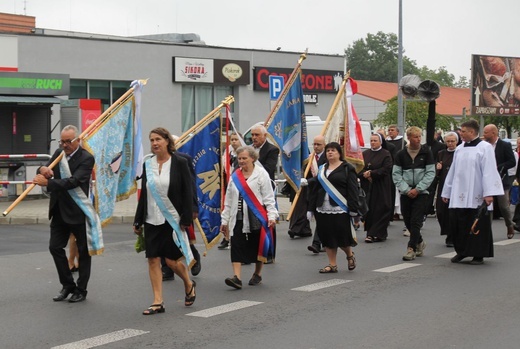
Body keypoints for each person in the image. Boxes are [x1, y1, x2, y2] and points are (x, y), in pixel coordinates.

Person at [133, 127, 196, 315]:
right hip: (151, 218)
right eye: (152, 140)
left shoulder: (180, 163)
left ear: (167, 141)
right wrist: (138, 219)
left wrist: (188, 216)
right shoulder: (148, 164)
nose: (154, 143)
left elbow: (188, 191)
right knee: (153, 259)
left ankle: (188, 283)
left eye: (158, 139)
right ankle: (157, 301)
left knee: (171, 261)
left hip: (172, 219)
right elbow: (144, 194)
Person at [33, 125, 95, 303]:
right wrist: (42, 170)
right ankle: (68, 284)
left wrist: (48, 183)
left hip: (78, 210)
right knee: (55, 247)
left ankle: (81, 290)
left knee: (83, 252)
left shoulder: (87, 158)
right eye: (63, 141)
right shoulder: (59, 153)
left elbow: (73, 181)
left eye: (69, 141)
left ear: (78, 140)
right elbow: (46, 169)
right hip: (59, 209)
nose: (65, 145)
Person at [441, 120, 504, 265]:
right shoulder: (460, 148)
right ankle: (462, 251)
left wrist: (489, 193)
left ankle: (478, 254)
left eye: (463, 131)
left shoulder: (485, 148)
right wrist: (447, 191)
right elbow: (453, 171)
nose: (461, 134)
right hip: (459, 194)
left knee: (477, 223)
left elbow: (489, 171)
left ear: (471, 132)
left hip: (477, 192)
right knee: (459, 223)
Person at [220, 146, 278, 289]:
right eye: (239, 158)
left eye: (244, 158)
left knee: (256, 244)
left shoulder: (261, 174)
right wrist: (224, 220)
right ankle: (237, 277)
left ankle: (257, 273)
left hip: (256, 216)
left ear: (253, 158)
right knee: (236, 244)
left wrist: (272, 215)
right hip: (237, 216)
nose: (241, 161)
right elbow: (228, 200)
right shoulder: (235, 176)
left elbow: (269, 197)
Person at [307, 142, 360, 273]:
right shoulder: (322, 168)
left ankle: (349, 255)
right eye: (328, 150)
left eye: (333, 150)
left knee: (342, 237)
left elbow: (353, 190)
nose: (330, 152)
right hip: (322, 208)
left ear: (339, 153)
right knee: (327, 236)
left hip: (340, 208)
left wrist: (354, 209)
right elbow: (316, 189)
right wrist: (310, 208)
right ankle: (332, 264)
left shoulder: (347, 168)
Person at [161, 134, 201, 280]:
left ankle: (194, 256)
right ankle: (167, 269)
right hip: (160, 206)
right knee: (163, 239)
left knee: (181, 236)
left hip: (178, 206)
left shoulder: (183, 159)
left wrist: (193, 208)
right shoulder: (153, 161)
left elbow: (190, 185)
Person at [392, 126, 435, 261]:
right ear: (409, 138)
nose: (418, 139)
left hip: (421, 192)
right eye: (415, 137)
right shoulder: (401, 154)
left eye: (419, 137)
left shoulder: (426, 152)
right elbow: (396, 174)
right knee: (408, 220)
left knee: (416, 221)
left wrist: (419, 189)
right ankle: (420, 241)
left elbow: (430, 173)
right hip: (406, 192)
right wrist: (406, 189)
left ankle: (411, 248)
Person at [251, 125, 279, 263]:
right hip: (250, 190)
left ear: (265, 136)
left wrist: (252, 161)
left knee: (268, 221)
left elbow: (269, 169)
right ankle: (253, 252)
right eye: (253, 135)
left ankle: (269, 253)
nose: (254, 138)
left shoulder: (272, 150)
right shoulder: (249, 149)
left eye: (257, 135)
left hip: (266, 190)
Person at [482, 124, 516, 239]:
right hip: (487, 179)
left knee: (503, 206)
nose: (484, 134)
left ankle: (509, 225)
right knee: (487, 206)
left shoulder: (505, 145)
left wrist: (498, 167)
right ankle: (486, 231)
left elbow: (512, 161)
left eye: (486, 132)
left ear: (493, 133)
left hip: (501, 180)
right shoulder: (484, 145)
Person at [359, 133, 393, 242]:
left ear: (380, 142)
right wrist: (365, 174)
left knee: (381, 209)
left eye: (375, 140)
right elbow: (359, 168)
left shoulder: (386, 154)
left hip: (381, 185)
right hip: (368, 186)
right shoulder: (365, 154)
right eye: (371, 140)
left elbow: (387, 168)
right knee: (369, 210)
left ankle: (377, 233)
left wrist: (372, 173)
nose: (373, 143)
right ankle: (370, 233)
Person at [435, 132, 458, 247]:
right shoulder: (441, 153)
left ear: (456, 142)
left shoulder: (459, 153)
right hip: (443, 184)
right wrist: (438, 168)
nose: (450, 143)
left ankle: (452, 236)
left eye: (452, 141)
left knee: (452, 212)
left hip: (456, 186)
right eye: (448, 141)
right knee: (440, 211)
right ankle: (446, 231)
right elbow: (437, 173)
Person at [219, 132, 242, 250]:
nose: (234, 142)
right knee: (226, 209)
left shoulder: (244, 152)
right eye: (232, 139)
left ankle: (234, 238)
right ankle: (226, 237)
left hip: (239, 184)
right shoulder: (227, 152)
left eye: (236, 139)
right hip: (228, 182)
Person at [307, 135, 328, 253]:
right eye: (314, 144)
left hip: (325, 192)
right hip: (313, 192)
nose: (315, 147)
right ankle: (325, 242)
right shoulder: (311, 158)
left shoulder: (328, 157)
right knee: (322, 220)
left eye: (318, 144)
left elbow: (322, 176)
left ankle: (316, 243)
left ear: (324, 145)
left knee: (321, 219)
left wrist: (308, 181)